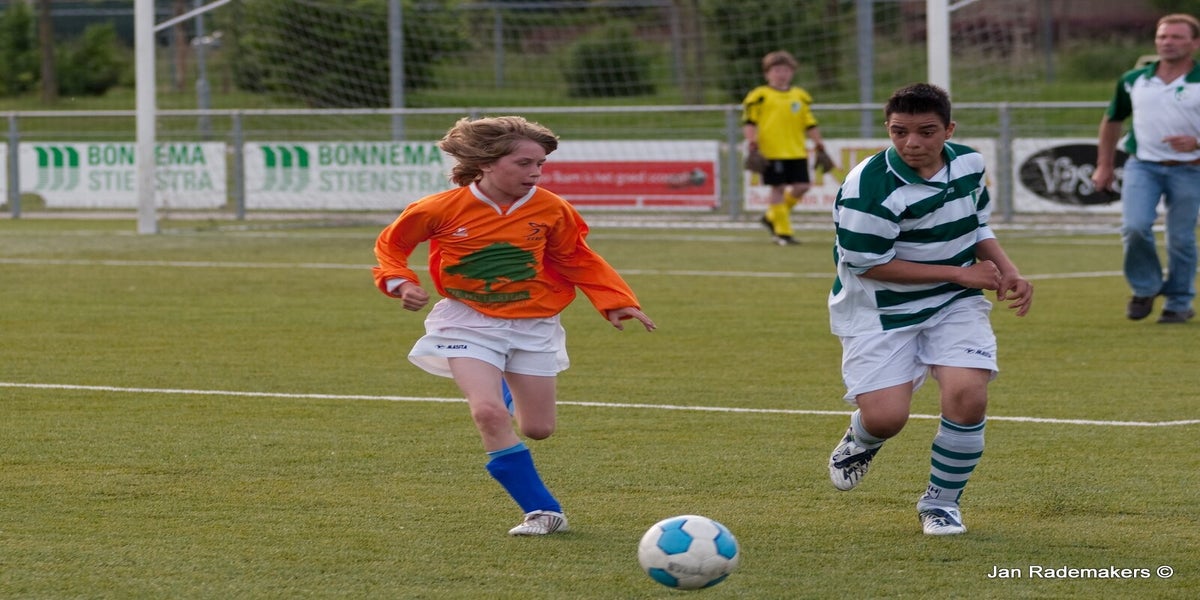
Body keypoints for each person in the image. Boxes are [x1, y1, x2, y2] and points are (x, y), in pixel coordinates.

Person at [372, 115, 656, 536]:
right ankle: (542, 511)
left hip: (532, 323)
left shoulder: (551, 208)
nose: (535, 173)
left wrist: (614, 301)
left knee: (538, 429)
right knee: (487, 413)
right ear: (487, 163)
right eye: (524, 163)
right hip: (468, 322)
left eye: (540, 164)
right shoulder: (439, 208)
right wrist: (401, 282)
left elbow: (575, 256)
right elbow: (392, 245)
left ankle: (502, 377)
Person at [826, 83, 1033, 536]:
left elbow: (977, 223)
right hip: (879, 309)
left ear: (948, 130)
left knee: (968, 394)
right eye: (899, 132)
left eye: (926, 131)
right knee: (887, 418)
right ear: (888, 129)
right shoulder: (868, 188)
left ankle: (940, 503)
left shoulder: (969, 163)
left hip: (953, 302)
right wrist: (961, 273)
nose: (912, 143)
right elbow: (870, 266)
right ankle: (863, 436)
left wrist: (1008, 268)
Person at [1092, 13, 1200, 324]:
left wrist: (1196, 143)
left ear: (1194, 43)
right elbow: (1113, 120)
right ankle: (1145, 288)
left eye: (1177, 37)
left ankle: (1179, 303)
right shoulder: (1133, 80)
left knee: (1181, 239)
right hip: (1143, 167)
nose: (1168, 42)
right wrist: (1104, 165)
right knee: (1135, 227)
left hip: (1191, 169)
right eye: (1163, 36)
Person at [741, 50, 829, 246]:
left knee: (803, 186)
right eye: (777, 70)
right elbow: (749, 122)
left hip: (796, 150)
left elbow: (810, 123)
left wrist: (818, 142)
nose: (782, 74)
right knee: (778, 188)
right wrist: (751, 141)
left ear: (792, 72)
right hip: (771, 151)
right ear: (767, 73)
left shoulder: (800, 96)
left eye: (786, 70)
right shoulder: (759, 95)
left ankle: (771, 216)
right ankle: (783, 233)